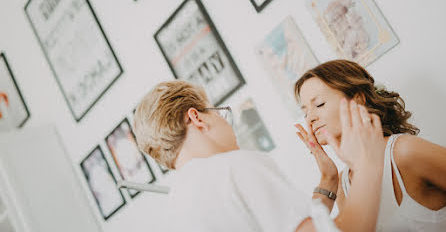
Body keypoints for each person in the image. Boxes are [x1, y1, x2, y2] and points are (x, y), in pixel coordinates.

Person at [133, 79, 386, 232]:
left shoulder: (175, 206)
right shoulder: (235, 168)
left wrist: (328, 181)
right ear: (197, 117)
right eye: (219, 112)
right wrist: (368, 165)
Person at [295, 59, 446, 232]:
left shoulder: (405, 152)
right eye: (305, 111)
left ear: (357, 99)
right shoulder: (344, 186)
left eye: (319, 104)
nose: (310, 118)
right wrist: (328, 178)